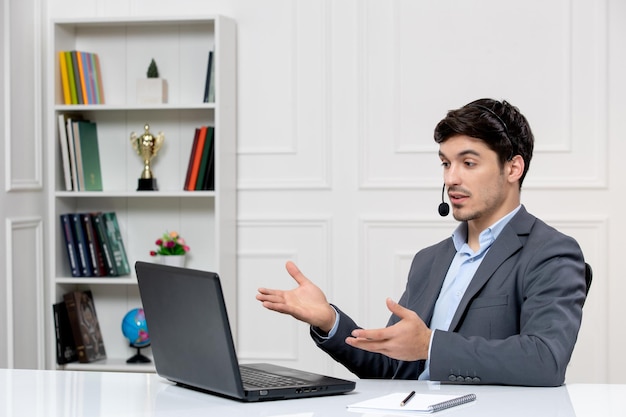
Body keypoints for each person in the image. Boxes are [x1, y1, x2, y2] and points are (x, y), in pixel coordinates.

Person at [256, 98, 587, 387]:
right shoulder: (430, 260)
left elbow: (546, 360)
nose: (450, 178)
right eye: (446, 162)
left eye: (468, 163)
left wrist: (430, 345)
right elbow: (391, 368)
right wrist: (329, 320)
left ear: (513, 167)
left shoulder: (551, 253)